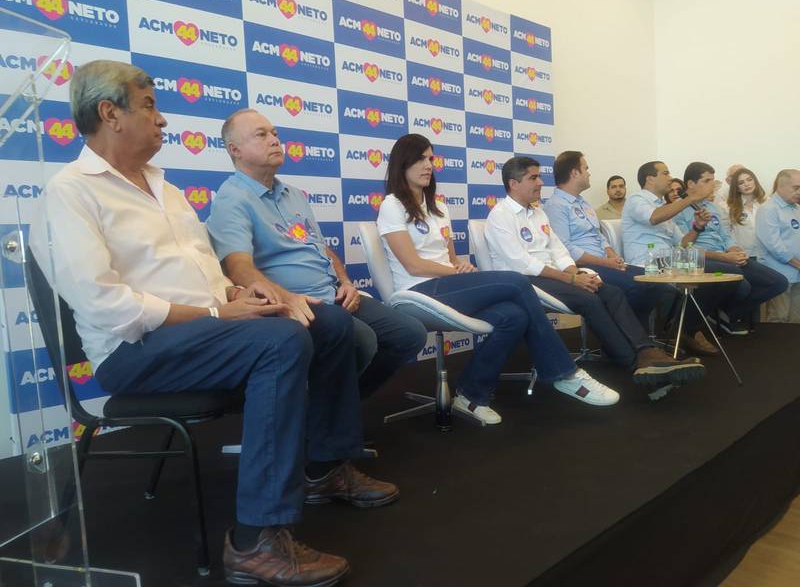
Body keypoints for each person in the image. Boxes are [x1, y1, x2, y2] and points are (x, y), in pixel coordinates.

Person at [29, 60, 394, 587]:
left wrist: (242, 294)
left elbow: (206, 275)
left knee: (330, 322)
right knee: (281, 342)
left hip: (202, 333)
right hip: (135, 351)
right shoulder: (70, 192)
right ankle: (254, 541)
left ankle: (323, 468)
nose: (162, 119)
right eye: (149, 106)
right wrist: (219, 312)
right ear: (110, 113)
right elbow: (106, 305)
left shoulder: (166, 188)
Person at [377, 134, 619, 424]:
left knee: (514, 316)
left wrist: (461, 266)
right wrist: (455, 271)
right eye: (421, 159)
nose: (429, 165)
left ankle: (470, 395)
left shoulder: (439, 208)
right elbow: (413, 265)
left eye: (431, 158)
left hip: (446, 284)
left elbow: (450, 258)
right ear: (402, 163)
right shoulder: (392, 205)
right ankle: (563, 372)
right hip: (416, 291)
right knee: (515, 281)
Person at [206, 109, 427, 399]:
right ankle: (329, 411)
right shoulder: (232, 198)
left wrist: (345, 282)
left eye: (275, 133)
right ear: (235, 150)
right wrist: (287, 299)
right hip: (297, 303)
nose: (274, 140)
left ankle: (333, 407)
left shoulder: (294, 195)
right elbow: (237, 267)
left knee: (409, 334)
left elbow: (323, 250)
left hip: (333, 295)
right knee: (362, 341)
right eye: (261, 134)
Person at [485, 156, 704, 398]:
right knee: (590, 299)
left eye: (539, 177)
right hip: (524, 282)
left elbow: (559, 251)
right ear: (513, 183)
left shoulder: (538, 214)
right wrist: (571, 279)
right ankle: (637, 364)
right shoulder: (500, 215)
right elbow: (522, 263)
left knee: (611, 292)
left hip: (554, 276)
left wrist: (576, 273)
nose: (540, 183)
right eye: (533, 178)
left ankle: (647, 351)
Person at [620, 160, 735, 355]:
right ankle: (687, 329)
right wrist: (691, 198)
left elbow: (682, 243)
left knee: (723, 275)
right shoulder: (637, 199)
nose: (670, 177)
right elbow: (653, 217)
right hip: (648, 262)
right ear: (650, 179)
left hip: (670, 260)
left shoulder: (664, 206)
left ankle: (685, 326)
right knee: (721, 271)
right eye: (665, 173)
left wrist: (697, 227)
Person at [543, 151, 671, 323]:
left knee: (656, 280)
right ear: (574, 173)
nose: (589, 173)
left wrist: (612, 255)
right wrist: (605, 262)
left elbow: (598, 235)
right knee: (637, 285)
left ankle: (637, 331)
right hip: (583, 267)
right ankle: (627, 331)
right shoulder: (556, 205)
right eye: (586, 168)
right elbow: (565, 248)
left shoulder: (583, 202)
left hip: (604, 262)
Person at [674, 162, 787, 334]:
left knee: (778, 283)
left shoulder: (713, 207)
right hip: (703, 259)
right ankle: (713, 319)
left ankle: (726, 315)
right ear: (690, 184)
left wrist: (734, 249)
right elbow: (684, 248)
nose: (713, 184)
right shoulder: (677, 209)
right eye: (707, 181)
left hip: (726, 256)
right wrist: (724, 257)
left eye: (713, 180)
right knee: (742, 285)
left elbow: (725, 236)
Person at [756, 169, 800, 322]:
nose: (799, 192)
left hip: (797, 274)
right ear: (781, 186)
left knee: (796, 320)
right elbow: (775, 246)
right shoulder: (768, 209)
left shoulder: (796, 208)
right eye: (796, 187)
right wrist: (798, 264)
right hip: (779, 275)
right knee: (779, 319)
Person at [719, 167, 768, 255]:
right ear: (736, 188)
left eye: (749, 180)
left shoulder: (767, 203)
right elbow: (724, 234)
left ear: (755, 181)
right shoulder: (727, 207)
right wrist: (733, 249)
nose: (746, 184)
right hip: (743, 255)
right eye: (741, 183)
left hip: (766, 254)